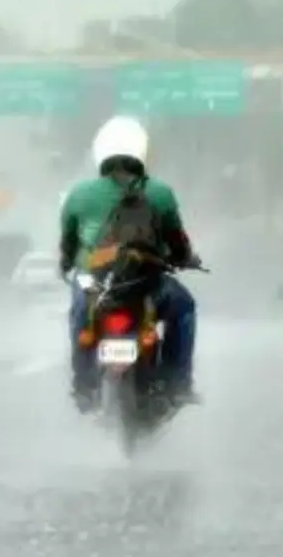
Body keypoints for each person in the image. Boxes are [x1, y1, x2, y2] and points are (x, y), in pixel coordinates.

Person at [57, 115, 202, 413]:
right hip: (145, 282)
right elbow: (177, 241)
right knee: (184, 308)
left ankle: (83, 385)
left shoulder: (79, 195)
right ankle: (178, 382)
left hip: (94, 284)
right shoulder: (160, 192)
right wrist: (186, 259)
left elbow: (68, 245)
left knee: (79, 316)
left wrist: (67, 264)